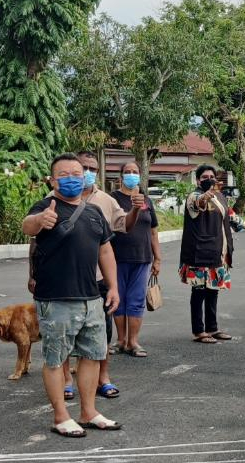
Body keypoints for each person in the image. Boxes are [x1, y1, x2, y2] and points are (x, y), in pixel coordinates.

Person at [22, 153, 121, 438]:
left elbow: (105, 251)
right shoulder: (45, 207)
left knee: (92, 355)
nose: (72, 179)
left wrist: (113, 287)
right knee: (55, 358)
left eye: (77, 174)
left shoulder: (94, 212)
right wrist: (40, 219)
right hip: (55, 298)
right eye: (63, 175)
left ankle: (88, 412)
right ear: (52, 181)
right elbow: (27, 225)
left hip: (91, 297)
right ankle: (61, 416)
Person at [70, 151, 143, 400]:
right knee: (66, 331)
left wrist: (135, 209)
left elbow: (125, 225)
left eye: (93, 168)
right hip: (65, 278)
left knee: (101, 331)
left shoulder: (106, 201)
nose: (88, 172)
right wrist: (33, 274)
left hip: (97, 279)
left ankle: (103, 377)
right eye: (84, 167)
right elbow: (37, 240)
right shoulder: (55, 199)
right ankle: (67, 379)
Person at [180, 165, 245, 343]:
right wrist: (205, 197)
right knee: (198, 292)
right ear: (198, 180)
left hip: (218, 252)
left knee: (213, 291)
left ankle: (212, 328)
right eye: (205, 177)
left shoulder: (220, 197)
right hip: (199, 253)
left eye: (212, 176)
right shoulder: (194, 196)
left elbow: (231, 216)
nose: (209, 179)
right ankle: (198, 331)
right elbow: (197, 204)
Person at [109, 162, 161, 357]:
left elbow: (153, 232)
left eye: (135, 172)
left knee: (137, 300)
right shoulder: (113, 199)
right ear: (121, 176)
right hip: (117, 259)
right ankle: (120, 340)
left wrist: (157, 258)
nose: (131, 175)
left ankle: (133, 342)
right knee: (119, 300)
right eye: (127, 172)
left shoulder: (146, 200)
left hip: (142, 258)